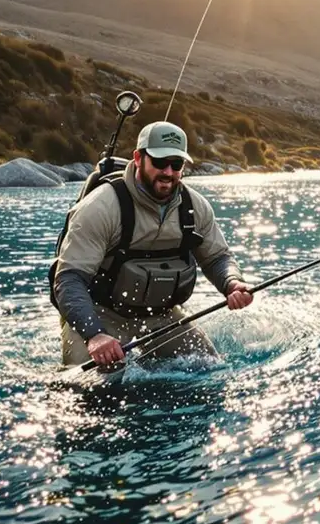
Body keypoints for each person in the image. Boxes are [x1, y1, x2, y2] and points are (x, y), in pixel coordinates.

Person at [52, 121, 253, 368]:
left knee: (210, 368)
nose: (168, 172)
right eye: (159, 162)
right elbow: (69, 279)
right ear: (138, 158)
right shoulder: (101, 207)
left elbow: (217, 257)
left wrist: (231, 283)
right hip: (101, 316)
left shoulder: (195, 207)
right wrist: (94, 335)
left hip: (163, 318)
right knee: (88, 386)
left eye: (176, 164)